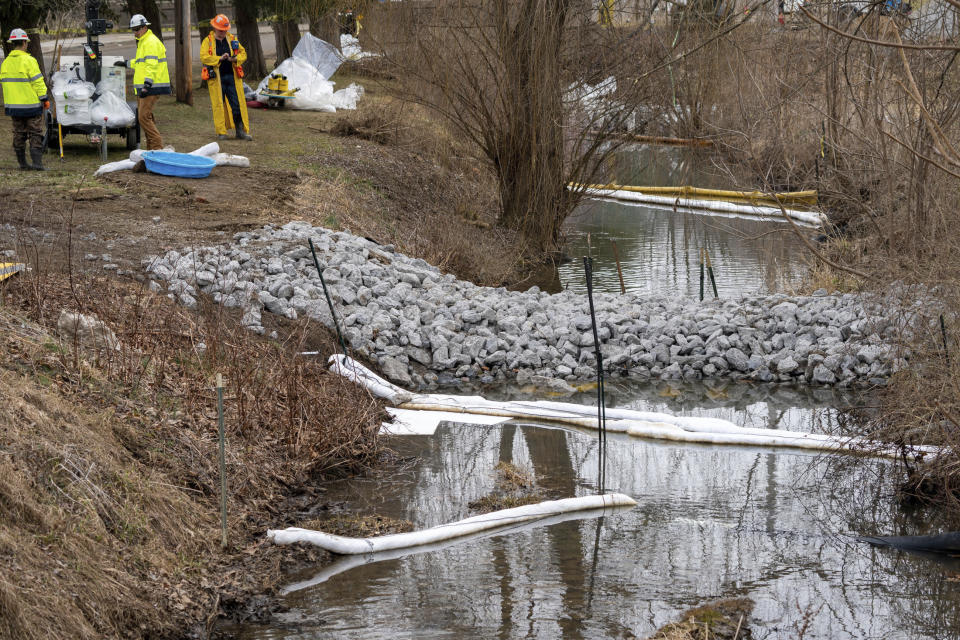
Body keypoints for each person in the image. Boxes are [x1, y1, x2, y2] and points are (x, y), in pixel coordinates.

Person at [0, 29, 49, 170]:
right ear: (23, 42)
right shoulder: (29, 60)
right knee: (35, 133)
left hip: (13, 107)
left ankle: (22, 164)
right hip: (31, 106)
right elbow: (38, 82)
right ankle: (37, 164)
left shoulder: (6, 63)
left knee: (18, 133)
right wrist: (44, 98)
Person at [200, 14, 252, 141]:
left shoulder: (232, 39)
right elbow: (204, 57)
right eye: (220, 30)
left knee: (237, 104)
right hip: (217, 80)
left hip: (232, 78)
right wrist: (219, 58)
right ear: (215, 28)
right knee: (218, 105)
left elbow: (243, 53)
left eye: (225, 30)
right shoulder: (208, 41)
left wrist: (234, 59)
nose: (223, 32)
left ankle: (240, 131)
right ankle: (221, 132)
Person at [128, 14, 170, 149]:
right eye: (133, 29)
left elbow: (152, 64)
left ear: (145, 27)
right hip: (145, 87)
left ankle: (157, 149)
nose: (135, 32)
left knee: (143, 118)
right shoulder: (144, 41)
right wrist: (126, 63)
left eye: (137, 29)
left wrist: (147, 84)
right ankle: (151, 150)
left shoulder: (150, 42)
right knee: (146, 117)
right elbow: (141, 63)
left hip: (150, 87)